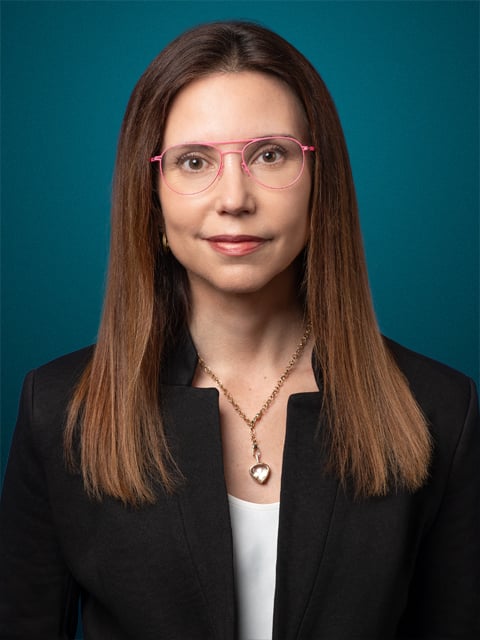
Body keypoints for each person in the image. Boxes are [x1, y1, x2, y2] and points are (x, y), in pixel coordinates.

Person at [0, 20, 478, 640]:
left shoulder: (442, 410)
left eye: (270, 155)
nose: (234, 198)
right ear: (151, 196)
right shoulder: (59, 410)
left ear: (321, 181)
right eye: (194, 161)